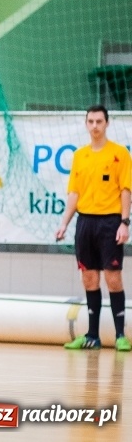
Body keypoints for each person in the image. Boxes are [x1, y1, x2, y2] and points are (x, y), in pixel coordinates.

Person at [56, 105, 132, 351]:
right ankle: (92, 335)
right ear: (86, 124)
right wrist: (64, 222)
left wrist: (124, 222)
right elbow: (74, 193)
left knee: (113, 278)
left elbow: (125, 190)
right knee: (89, 278)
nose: (95, 126)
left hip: (110, 222)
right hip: (85, 222)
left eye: (99, 121)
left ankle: (121, 335)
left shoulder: (120, 154)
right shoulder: (80, 156)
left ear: (107, 124)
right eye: (91, 121)